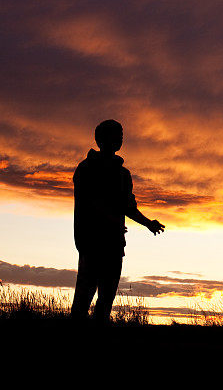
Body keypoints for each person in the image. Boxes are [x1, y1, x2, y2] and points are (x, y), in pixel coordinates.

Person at [70, 119, 165, 322]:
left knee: (106, 299)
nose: (120, 138)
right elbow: (88, 202)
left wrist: (148, 223)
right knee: (83, 298)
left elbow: (128, 207)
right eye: (116, 134)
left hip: (114, 244)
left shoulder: (123, 174)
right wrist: (110, 221)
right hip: (92, 243)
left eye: (121, 134)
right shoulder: (86, 169)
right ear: (101, 139)